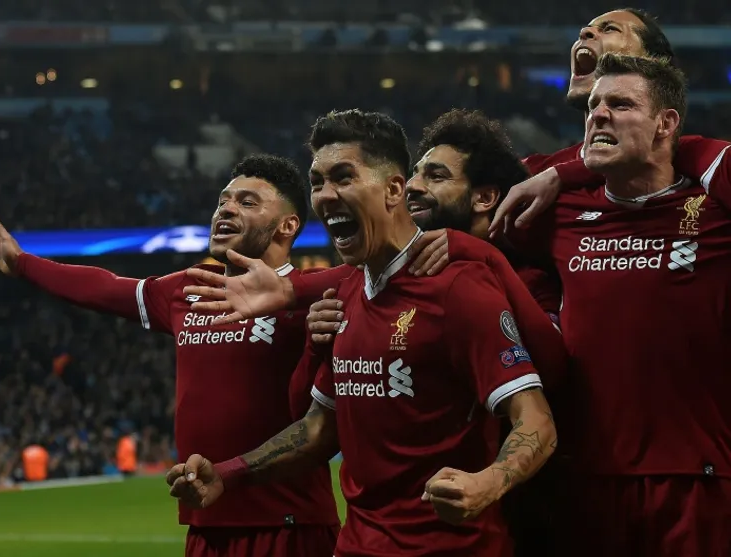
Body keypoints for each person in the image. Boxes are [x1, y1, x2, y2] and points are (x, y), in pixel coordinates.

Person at [167, 110, 563, 557]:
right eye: (317, 182)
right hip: (356, 544)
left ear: (394, 190)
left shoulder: (459, 288)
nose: (325, 195)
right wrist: (227, 474)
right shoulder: (345, 293)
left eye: (343, 177)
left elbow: (537, 422)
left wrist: (486, 483)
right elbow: (319, 428)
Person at [0, 154, 343, 557]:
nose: (227, 209)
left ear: (288, 225)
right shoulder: (189, 289)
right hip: (206, 524)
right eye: (223, 201)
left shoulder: (312, 296)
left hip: (289, 525)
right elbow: (103, 287)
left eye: (247, 202)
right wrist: (24, 264)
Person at [466, 54, 731, 557]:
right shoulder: (553, 212)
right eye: (593, 106)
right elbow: (459, 224)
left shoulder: (715, 209)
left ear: (666, 123)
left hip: (696, 478)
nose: (599, 114)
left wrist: (563, 172)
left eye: (621, 104)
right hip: (586, 483)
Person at [490, 8, 725, 234]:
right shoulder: (531, 175)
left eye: (610, 29)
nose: (584, 32)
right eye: (586, 29)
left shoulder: (705, 162)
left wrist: (564, 174)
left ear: (652, 63)